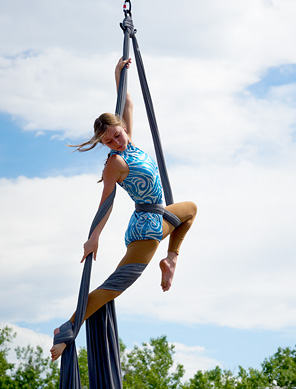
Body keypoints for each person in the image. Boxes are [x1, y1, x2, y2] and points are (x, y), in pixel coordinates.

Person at [50, 57, 197, 361]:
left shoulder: (131, 145)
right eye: (108, 141)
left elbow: (126, 100)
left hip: (158, 216)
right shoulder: (115, 163)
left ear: (123, 129)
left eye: (117, 135)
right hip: (147, 226)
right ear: (104, 145)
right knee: (116, 285)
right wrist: (94, 237)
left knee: (190, 209)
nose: (115, 142)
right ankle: (67, 329)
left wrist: (118, 73)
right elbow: (106, 202)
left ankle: (170, 260)